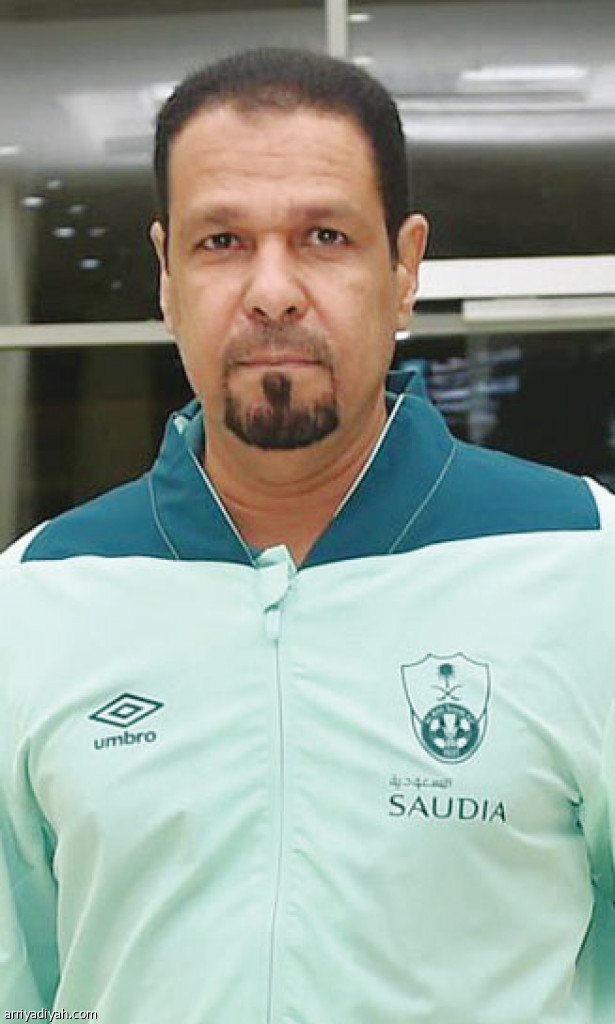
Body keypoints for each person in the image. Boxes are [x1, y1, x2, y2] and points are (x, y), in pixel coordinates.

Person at [1, 47, 614, 1024]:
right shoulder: (36, 597)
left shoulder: (584, 564)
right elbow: (23, 989)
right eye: (222, 241)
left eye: (324, 236)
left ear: (403, 268)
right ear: (166, 275)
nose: (273, 290)